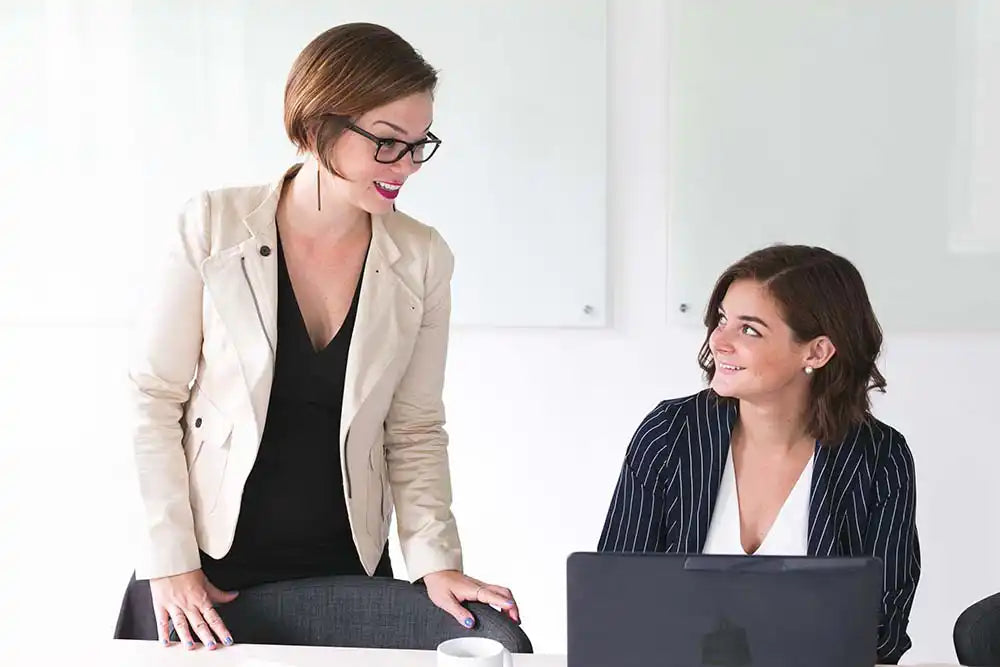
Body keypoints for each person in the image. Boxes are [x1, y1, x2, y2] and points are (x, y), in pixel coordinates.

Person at [115, 22, 518, 650]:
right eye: (387, 143)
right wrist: (170, 562)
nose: (407, 166)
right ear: (315, 126)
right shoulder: (213, 226)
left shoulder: (423, 256)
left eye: (419, 144)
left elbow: (413, 426)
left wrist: (436, 561)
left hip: (348, 561)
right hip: (208, 571)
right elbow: (153, 399)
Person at [598, 244, 920, 664]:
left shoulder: (880, 459)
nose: (719, 341)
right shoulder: (670, 433)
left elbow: (882, 631)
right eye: (722, 320)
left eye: (749, 329)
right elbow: (612, 597)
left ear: (817, 352)